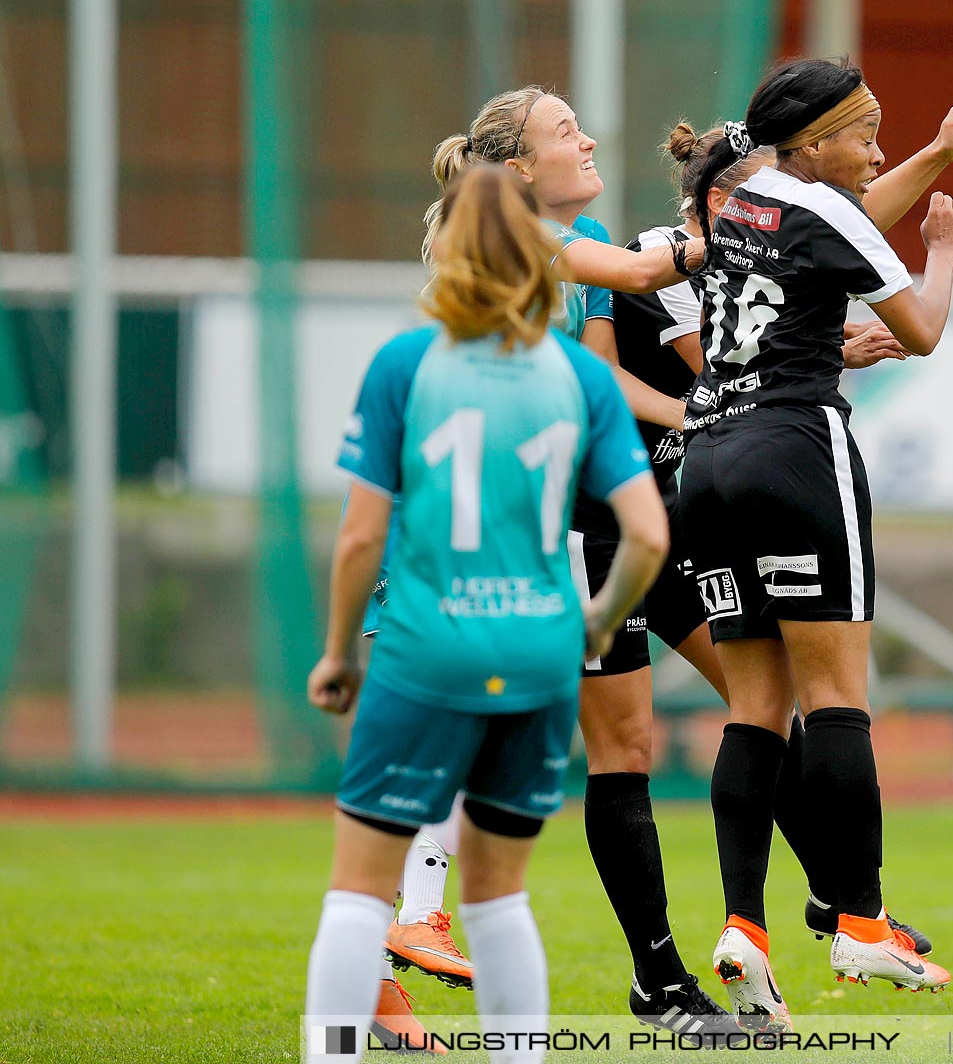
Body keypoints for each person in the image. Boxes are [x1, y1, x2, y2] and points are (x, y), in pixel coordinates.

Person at [302, 164, 668, 1064]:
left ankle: (334, 1052)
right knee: (500, 898)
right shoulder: (578, 377)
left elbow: (358, 539)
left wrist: (339, 652)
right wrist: (595, 622)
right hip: (540, 653)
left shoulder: (406, 362)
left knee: (357, 890)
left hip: (427, 648)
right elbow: (648, 535)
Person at [567, 122, 917, 1037]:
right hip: (603, 526)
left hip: (673, 519)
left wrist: (823, 356)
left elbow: (841, 233)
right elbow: (634, 383)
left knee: (761, 713)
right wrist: (713, 407)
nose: (591, 139)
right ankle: (667, 971)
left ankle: (821, 904)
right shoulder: (631, 258)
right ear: (720, 201)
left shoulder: (651, 252)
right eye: (565, 130)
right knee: (619, 746)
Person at [678, 60, 953, 1029]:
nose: (878, 151)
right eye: (864, 134)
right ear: (811, 144)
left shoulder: (736, 196)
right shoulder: (829, 209)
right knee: (835, 699)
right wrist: (943, 247)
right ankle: (861, 918)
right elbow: (923, 331)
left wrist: (941, 151)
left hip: (709, 459)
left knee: (755, 707)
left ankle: (746, 924)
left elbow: (844, 229)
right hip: (794, 447)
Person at [375, 85, 699, 1024]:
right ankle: (411, 934)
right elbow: (640, 278)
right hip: (475, 527)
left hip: (534, 524)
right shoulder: (513, 228)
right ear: (517, 169)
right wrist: (756, 227)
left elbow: (597, 370)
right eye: (565, 129)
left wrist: (689, 414)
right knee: (478, 750)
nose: (589, 135)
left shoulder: (579, 243)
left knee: (488, 751)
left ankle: (390, 968)